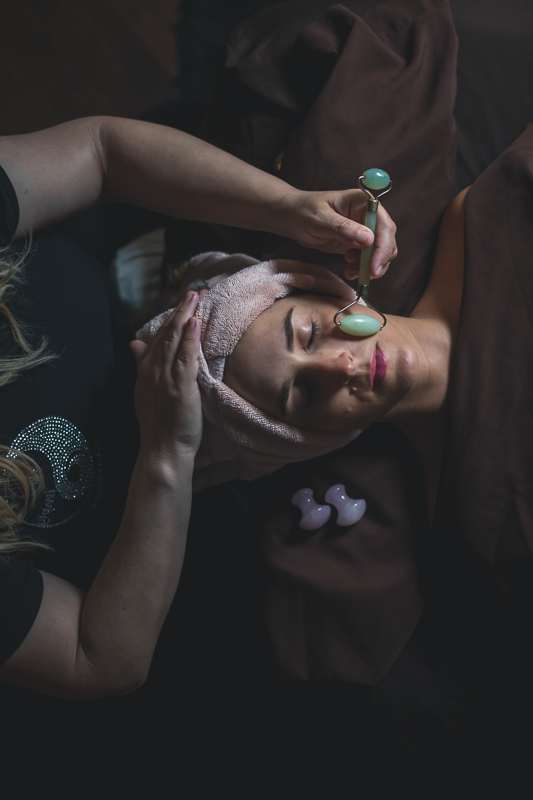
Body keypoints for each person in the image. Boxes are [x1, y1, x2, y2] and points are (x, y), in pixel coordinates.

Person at [0, 116, 398, 698]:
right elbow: (101, 659)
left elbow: (101, 152)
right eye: (300, 392)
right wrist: (169, 456)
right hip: (153, 527)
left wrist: (290, 208)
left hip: (129, 281)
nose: (345, 364)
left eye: (311, 333)